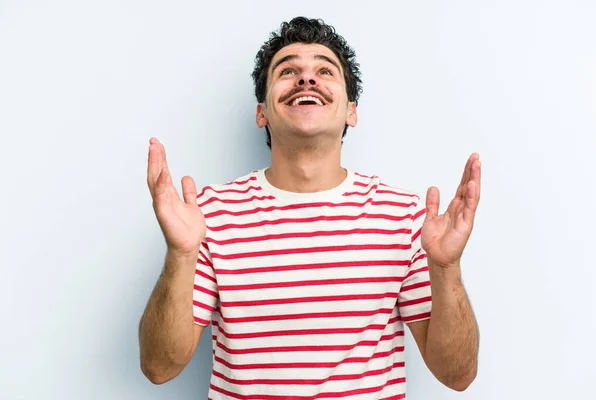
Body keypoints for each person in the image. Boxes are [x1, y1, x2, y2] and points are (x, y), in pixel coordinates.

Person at [138, 16, 480, 399]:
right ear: (261, 113)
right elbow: (159, 367)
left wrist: (446, 268)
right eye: (287, 71)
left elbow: (457, 375)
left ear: (351, 110)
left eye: (323, 70)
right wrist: (181, 254)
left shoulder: (404, 217)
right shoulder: (209, 215)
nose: (306, 79)